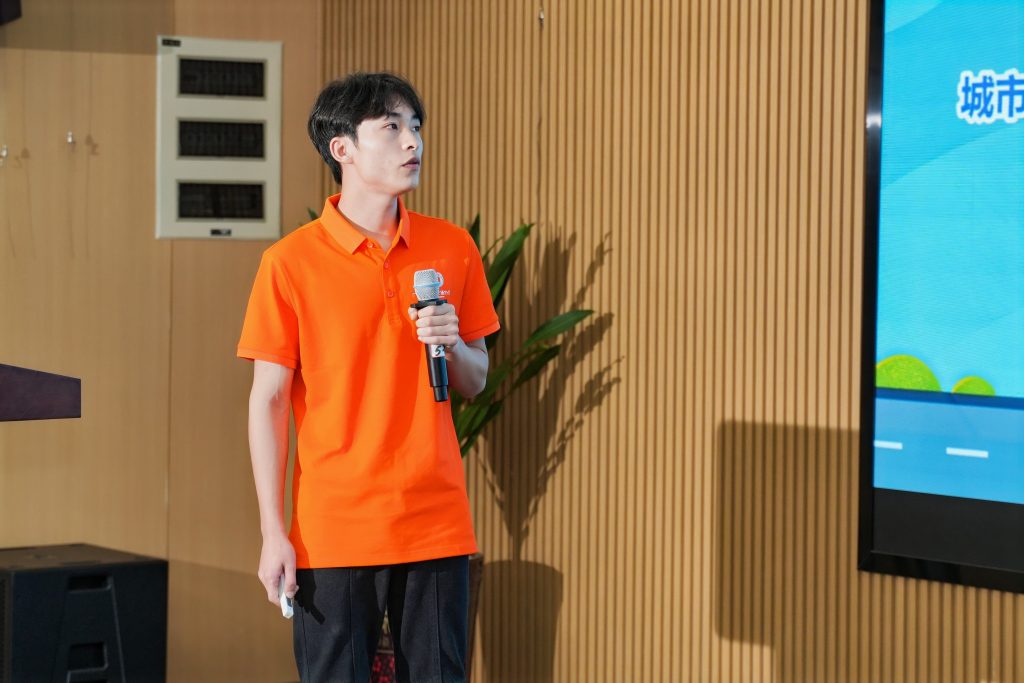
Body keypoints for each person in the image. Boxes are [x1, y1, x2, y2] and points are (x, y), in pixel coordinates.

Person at [237, 72, 499, 682]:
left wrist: (450, 342)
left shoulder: (452, 247)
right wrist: (273, 532)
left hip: (435, 524)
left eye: (416, 127)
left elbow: (477, 377)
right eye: (392, 127)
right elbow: (269, 402)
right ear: (343, 148)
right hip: (334, 530)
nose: (413, 142)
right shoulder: (289, 263)